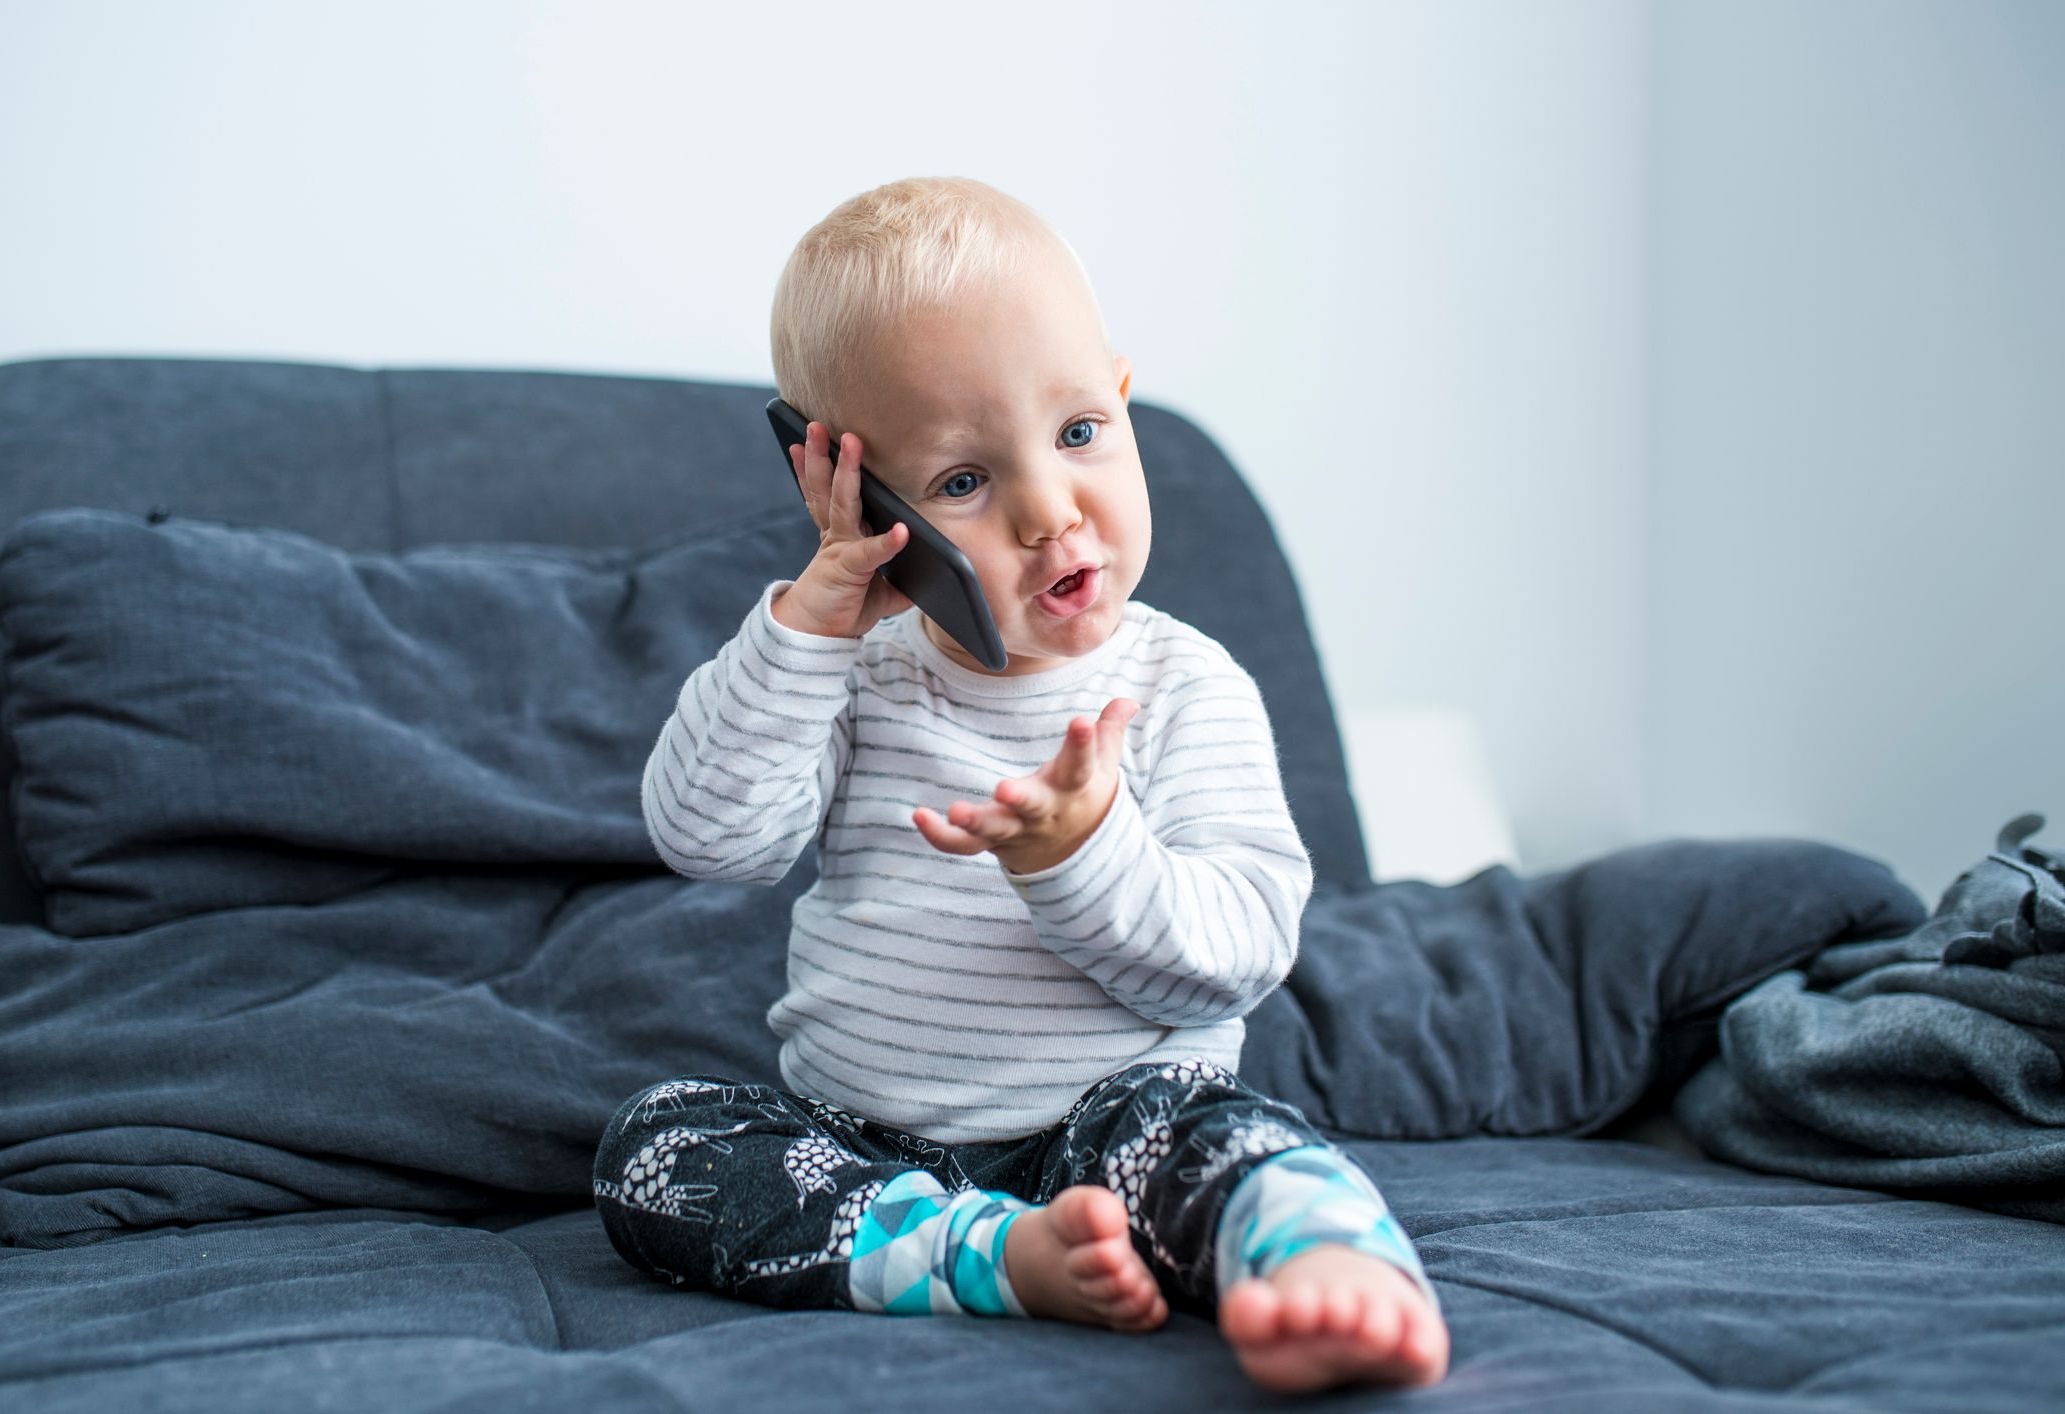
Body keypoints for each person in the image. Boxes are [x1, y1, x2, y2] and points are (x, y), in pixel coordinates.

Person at [594, 176, 1449, 1394]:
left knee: (1226, 1141)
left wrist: (1080, 850)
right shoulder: (850, 676)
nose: (1053, 510)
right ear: (857, 496)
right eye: (960, 481)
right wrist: (807, 624)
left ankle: (1328, 1261)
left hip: (1115, 1127)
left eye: (1079, 434)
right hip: (864, 1148)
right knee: (655, 1145)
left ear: (1122, 400)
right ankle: (982, 1256)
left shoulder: (1184, 683)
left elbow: (1240, 948)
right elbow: (707, 836)